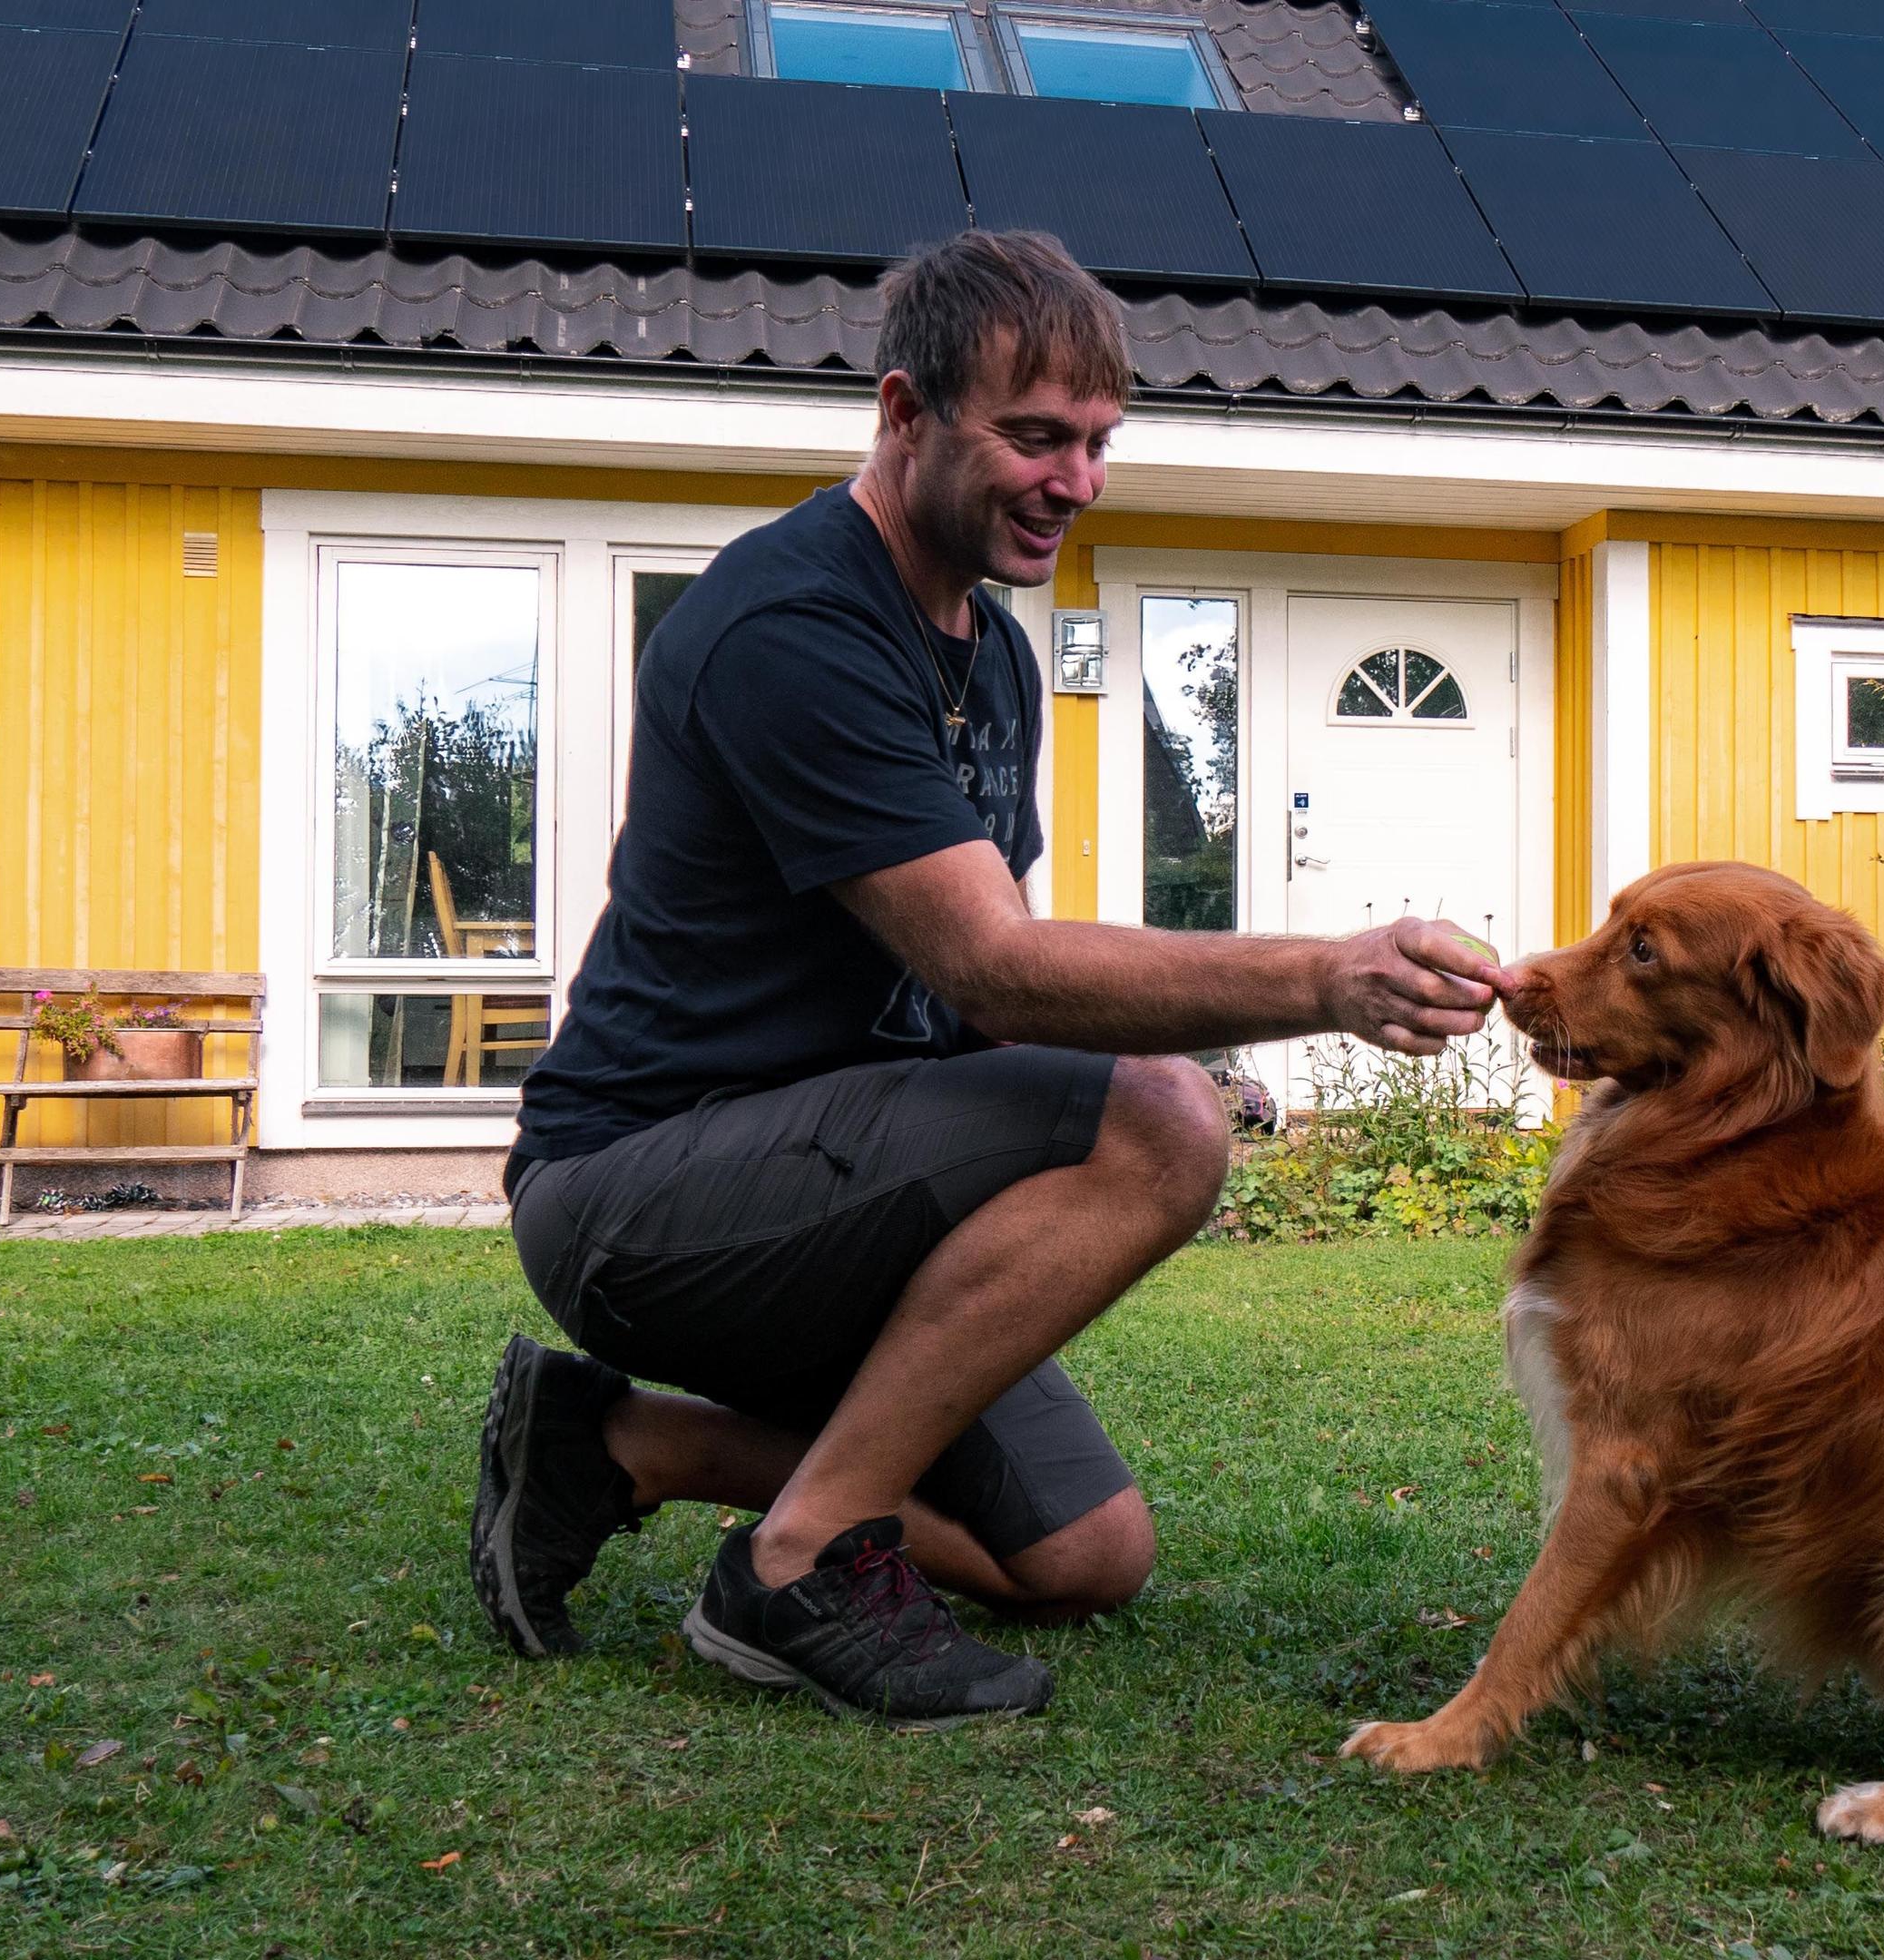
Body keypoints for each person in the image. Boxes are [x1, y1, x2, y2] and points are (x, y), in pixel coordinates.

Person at [471, 230, 1511, 1729]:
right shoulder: (796, 625)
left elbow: (966, 999)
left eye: (1097, 442)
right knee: (1159, 1122)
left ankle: (620, 1446)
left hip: (838, 1177)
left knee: (1088, 1554)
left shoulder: (996, 656)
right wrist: (1319, 978)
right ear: (904, 416)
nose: (1076, 480)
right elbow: (998, 969)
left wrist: (1144, 1048)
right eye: (1032, 436)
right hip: (640, 1191)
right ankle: (793, 1569)